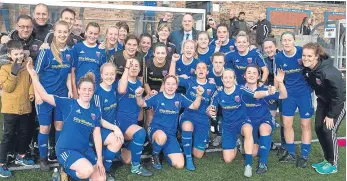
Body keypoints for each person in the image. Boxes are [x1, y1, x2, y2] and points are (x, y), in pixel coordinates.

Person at [27, 62, 106, 180]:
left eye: (90, 90)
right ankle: (66, 171)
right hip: (66, 149)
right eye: (84, 89)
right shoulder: (68, 104)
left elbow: (97, 135)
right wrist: (34, 76)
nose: (87, 92)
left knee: (101, 178)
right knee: (87, 170)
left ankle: (74, 171)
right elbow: (44, 95)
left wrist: (99, 159)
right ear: (78, 90)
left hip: (84, 150)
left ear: (93, 91)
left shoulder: (95, 111)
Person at [206, 69, 276, 178]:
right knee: (228, 159)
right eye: (226, 77)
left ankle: (248, 165)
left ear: (234, 79)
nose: (228, 80)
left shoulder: (241, 89)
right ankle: (237, 143)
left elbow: (255, 94)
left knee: (248, 129)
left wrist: (268, 92)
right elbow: (211, 107)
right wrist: (210, 111)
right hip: (228, 126)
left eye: (230, 77)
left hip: (242, 122)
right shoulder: (218, 93)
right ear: (222, 79)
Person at [135, 75, 204, 170]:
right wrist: (138, 96)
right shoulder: (157, 97)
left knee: (179, 164)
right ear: (164, 84)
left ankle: (162, 149)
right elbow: (142, 103)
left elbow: (194, 106)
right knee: (161, 137)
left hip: (171, 134)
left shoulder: (179, 98)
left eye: (173, 84)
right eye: (168, 84)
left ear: (176, 86)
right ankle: (155, 154)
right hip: (156, 130)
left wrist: (199, 95)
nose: (170, 87)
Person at [34, 20, 73, 171]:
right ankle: (43, 157)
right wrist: (38, 94)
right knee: (44, 127)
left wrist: (70, 89)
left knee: (60, 126)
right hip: (44, 96)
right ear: (54, 33)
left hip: (61, 96)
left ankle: (57, 153)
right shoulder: (45, 51)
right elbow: (35, 75)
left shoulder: (69, 52)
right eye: (60, 32)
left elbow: (69, 74)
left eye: (65, 32)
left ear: (68, 33)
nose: (62, 34)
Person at [302, 43, 346, 174]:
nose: (306, 58)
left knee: (328, 130)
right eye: (304, 55)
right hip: (323, 103)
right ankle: (327, 160)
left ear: (317, 56)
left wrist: (332, 115)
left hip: (338, 104)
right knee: (318, 128)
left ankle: (333, 164)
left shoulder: (329, 72)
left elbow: (339, 96)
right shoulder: (310, 69)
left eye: (310, 56)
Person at [274, 32, 314, 168]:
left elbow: (315, 64)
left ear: (294, 41)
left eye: (289, 40)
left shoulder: (302, 52)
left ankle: (304, 155)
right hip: (288, 95)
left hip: (304, 94)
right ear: (281, 42)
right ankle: (291, 153)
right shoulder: (279, 57)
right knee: (287, 124)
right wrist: (275, 91)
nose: (286, 42)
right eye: (284, 40)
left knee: (305, 125)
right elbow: (278, 76)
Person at [169, 60, 217, 171]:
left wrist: (211, 109)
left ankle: (187, 142)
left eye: (203, 68)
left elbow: (214, 102)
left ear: (207, 71)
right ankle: (188, 158)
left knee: (198, 154)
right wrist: (174, 62)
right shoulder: (189, 81)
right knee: (187, 126)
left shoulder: (212, 85)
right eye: (198, 68)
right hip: (188, 115)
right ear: (195, 71)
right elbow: (171, 78)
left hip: (203, 119)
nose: (201, 70)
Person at [242, 65, 287, 174]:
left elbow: (284, 95)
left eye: (254, 73)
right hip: (248, 123)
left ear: (258, 76)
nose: (251, 75)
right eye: (249, 72)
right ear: (244, 75)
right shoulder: (240, 89)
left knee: (264, 128)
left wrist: (280, 82)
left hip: (263, 119)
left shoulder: (265, 89)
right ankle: (249, 141)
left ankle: (263, 163)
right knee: (253, 153)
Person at [0, 40, 35, 178]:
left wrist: (31, 94)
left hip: (25, 107)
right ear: (9, 54)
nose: (19, 56)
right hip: (10, 108)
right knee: (7, 136)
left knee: (23, 133)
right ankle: (1, 162)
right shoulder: (4, 69)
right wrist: (14, 73)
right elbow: (7, 88)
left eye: (21, 53)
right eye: (16, 54)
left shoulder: (26, 66)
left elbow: (31, 82)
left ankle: (20, 155)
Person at [115, 58, 153, 177]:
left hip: (132, 122)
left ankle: (117, 150)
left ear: (140, 69)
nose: (134, 67)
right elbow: (121, 90)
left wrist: (149, 97)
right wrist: (127, 67)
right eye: (131, 65)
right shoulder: (121, 82)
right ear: (126, 67)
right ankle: (136, 167)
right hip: (121, 122)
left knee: (126, 160)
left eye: (136, 65)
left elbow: (138, 104)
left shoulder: (138, 83)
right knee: (141, 133)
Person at [93, 63, 124, 180]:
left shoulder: (114, 88)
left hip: (110, 126)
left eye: (112, 74)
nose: (109, 76)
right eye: (106, 74)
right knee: (117, 141)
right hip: (97, 128)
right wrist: (115, 128)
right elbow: (98, 120)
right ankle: (104, 170)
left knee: (120, 140)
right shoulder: (97, 92)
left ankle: (105, 164)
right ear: (101, 75)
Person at [263, 37, 286, 155]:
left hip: (282, 92)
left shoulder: (282, 57)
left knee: (284, 120)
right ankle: (269, 142)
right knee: (270, 119)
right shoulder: (263, 61)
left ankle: (284, 145)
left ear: (275, 46)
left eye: (270, 47)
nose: (268, 50)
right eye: (266, 48)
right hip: (270, 93)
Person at [71, 22, 106, 98]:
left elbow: (103, 74)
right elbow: (72, 72)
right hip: (79, 91)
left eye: (95, 34)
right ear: (85, 32)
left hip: (94, 92)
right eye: (90, 33)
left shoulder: (101, 51)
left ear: (98, 35)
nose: (92, 36)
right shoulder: (77, 48)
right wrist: (74, 91)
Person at [144, 42, 171, 123]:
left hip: (163, 91)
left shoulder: (169, 64)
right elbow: (145, 82)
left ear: (166, 54)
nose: (160, 55)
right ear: (154, 54)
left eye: (163, 53)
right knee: (150, 113)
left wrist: (159, 97)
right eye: (158, 53)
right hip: (149, 90)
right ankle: (147, 133)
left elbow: (165, 83)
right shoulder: (147, 63)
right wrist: (150, 94)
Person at [207, 52, 226, 147]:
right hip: (210, 98)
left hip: (224, 98)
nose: (218, 65)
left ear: (224, 63)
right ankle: (209, 134)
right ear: (212, 63)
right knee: (211, 115)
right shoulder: (207, 72)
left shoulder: (228, 73)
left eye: (220, 62)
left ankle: (221, 135)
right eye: (216, 62)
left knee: (223, 116)